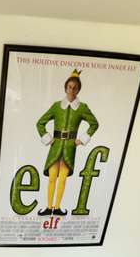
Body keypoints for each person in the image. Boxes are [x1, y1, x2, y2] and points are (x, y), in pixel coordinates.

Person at [35, 69, 99, 215]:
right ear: (65, 88)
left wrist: (82, 139)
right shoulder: (56, 106)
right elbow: (40, 123)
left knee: (63, 179)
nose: (72, 90)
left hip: (70, 147)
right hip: (56, 146)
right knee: (52, 177)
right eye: (69, 87)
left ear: (78, 90)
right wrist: (48, 138)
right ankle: (49, 207)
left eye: (75, 88)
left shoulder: (82, 108)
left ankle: (57, 208)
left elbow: (94, 124)